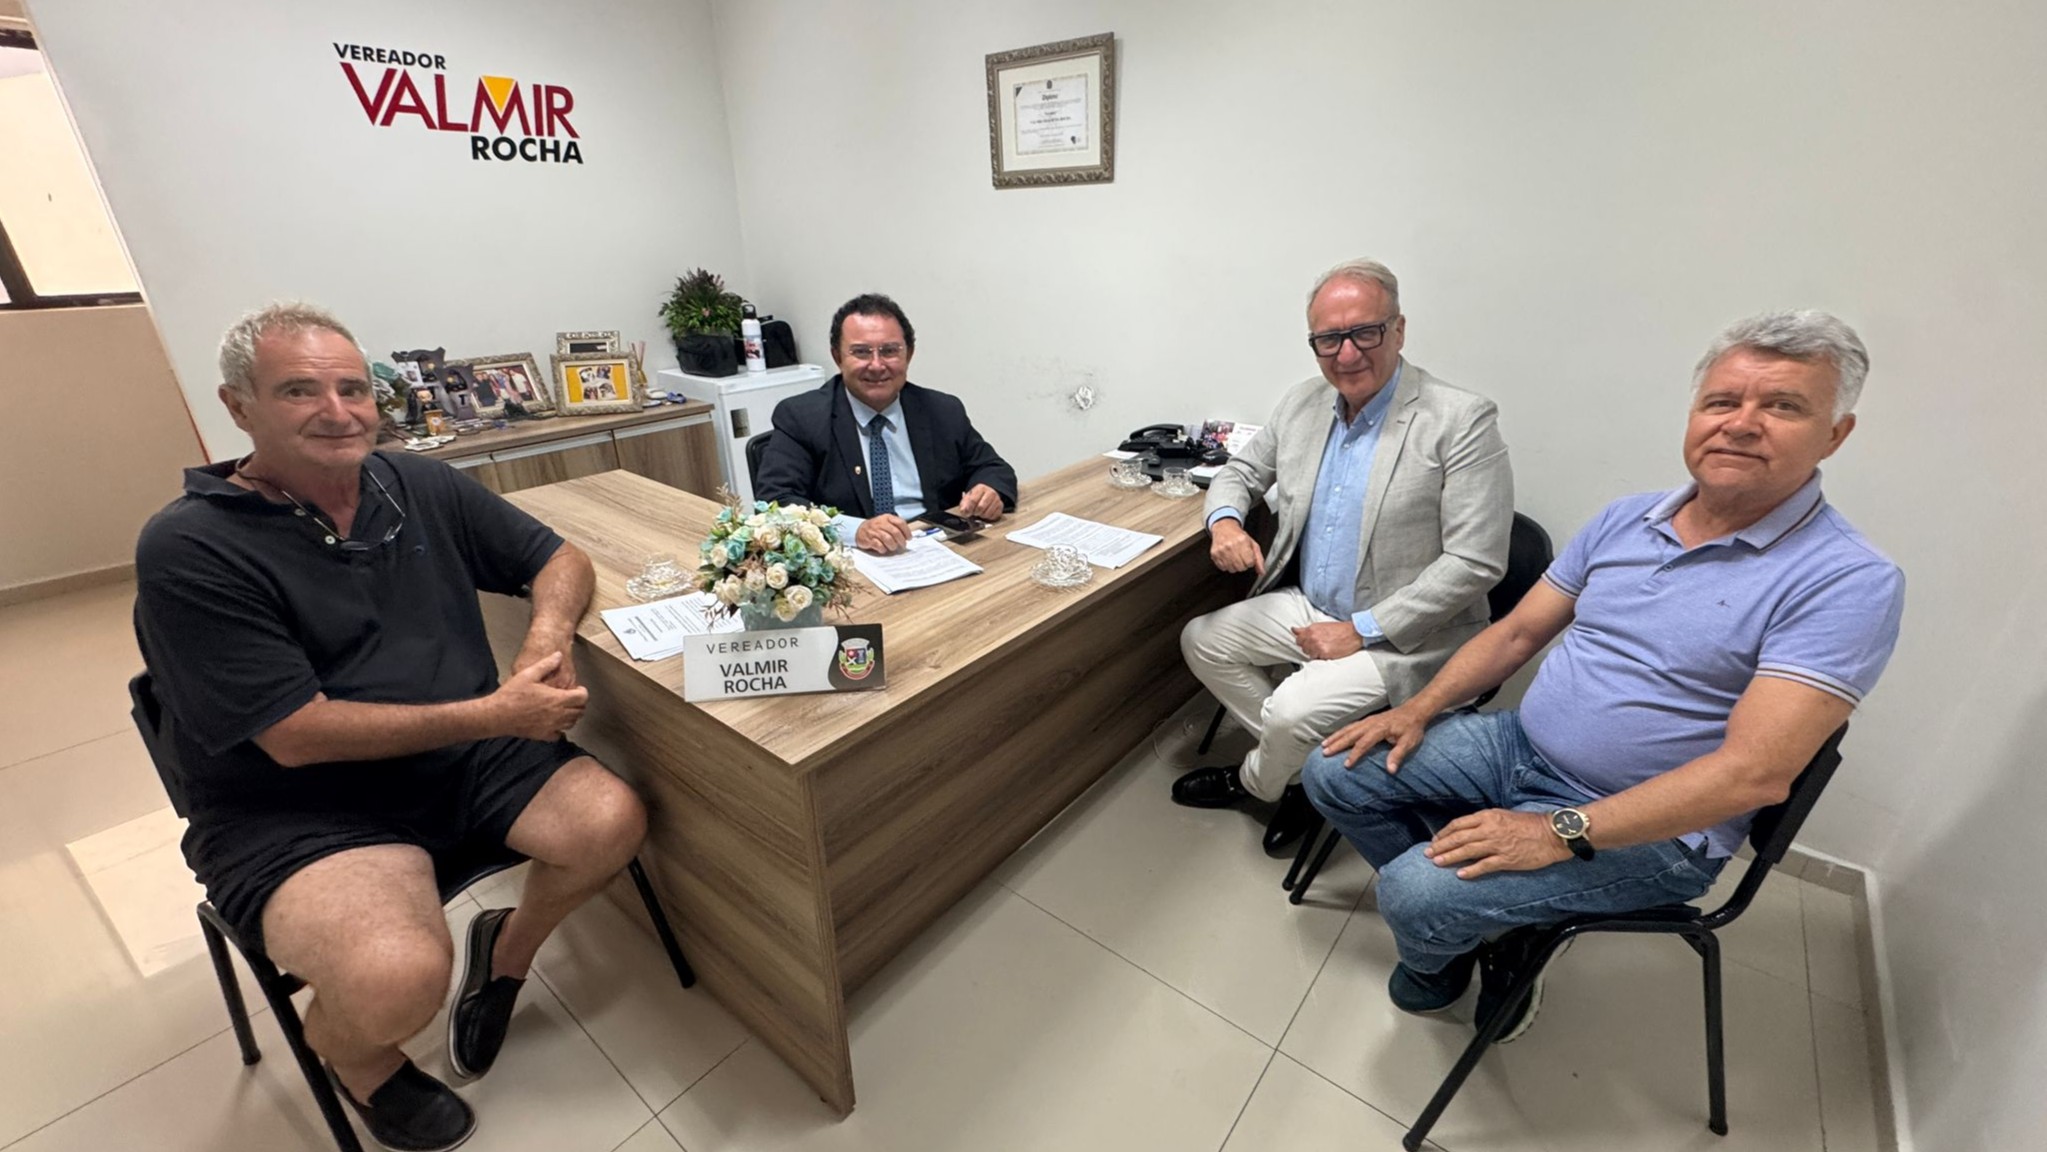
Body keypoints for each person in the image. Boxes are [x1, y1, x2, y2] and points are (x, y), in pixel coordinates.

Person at [1302, 310, 1904, 1043]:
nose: (1741, 424)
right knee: (1334, 771)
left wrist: (1557, 833)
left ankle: (1448, 948)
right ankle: (1489, 917)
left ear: (1835, 434)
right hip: (1521, 747)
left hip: (1657, 828)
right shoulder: (1626, 519)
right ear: (1694, 414)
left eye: (1782, 406)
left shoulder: (1846, 581)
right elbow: (1517, 633)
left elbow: (1754, 775)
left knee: (1413, 892)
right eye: (1721, 401)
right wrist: (1418, 709)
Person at [134, 303, 648, 1152]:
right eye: (299, 390)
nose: (337, 412)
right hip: (297, 806)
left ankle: (506, 954)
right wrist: (496, 713)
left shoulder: (414, 483)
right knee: (397, 979)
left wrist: (543, 643)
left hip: (461, 756)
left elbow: (557, 558)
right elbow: (295, 735)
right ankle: (357, 1060)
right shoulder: (190, 547)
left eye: (353, 389)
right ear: (238, 406)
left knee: (611, 822)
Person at [1174, 259, 1514, 853]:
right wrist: (1224, 519)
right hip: (1312, 604)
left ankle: (1259, 781)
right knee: (1201, 640)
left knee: (1288, 713)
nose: (1347, 353)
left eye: (1365, 332)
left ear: (1399, 329)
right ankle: (1307, 776)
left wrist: (1361, 630)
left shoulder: (1461, 419)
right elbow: (1241, 471)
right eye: (1329, 338)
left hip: (1404, 633)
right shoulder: (1302, 404)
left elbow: (1476, 561)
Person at [754, 292, 1018, 554]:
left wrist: (989, 490)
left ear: (908, 354)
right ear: (837, 357)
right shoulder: (802, 417)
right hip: (853, 561)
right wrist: (856, 531)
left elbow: (993, 468)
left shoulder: (942, 410)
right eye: (861, 352)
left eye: (889, 351)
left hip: (937, 549)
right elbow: (776, 503)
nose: (877, 365)